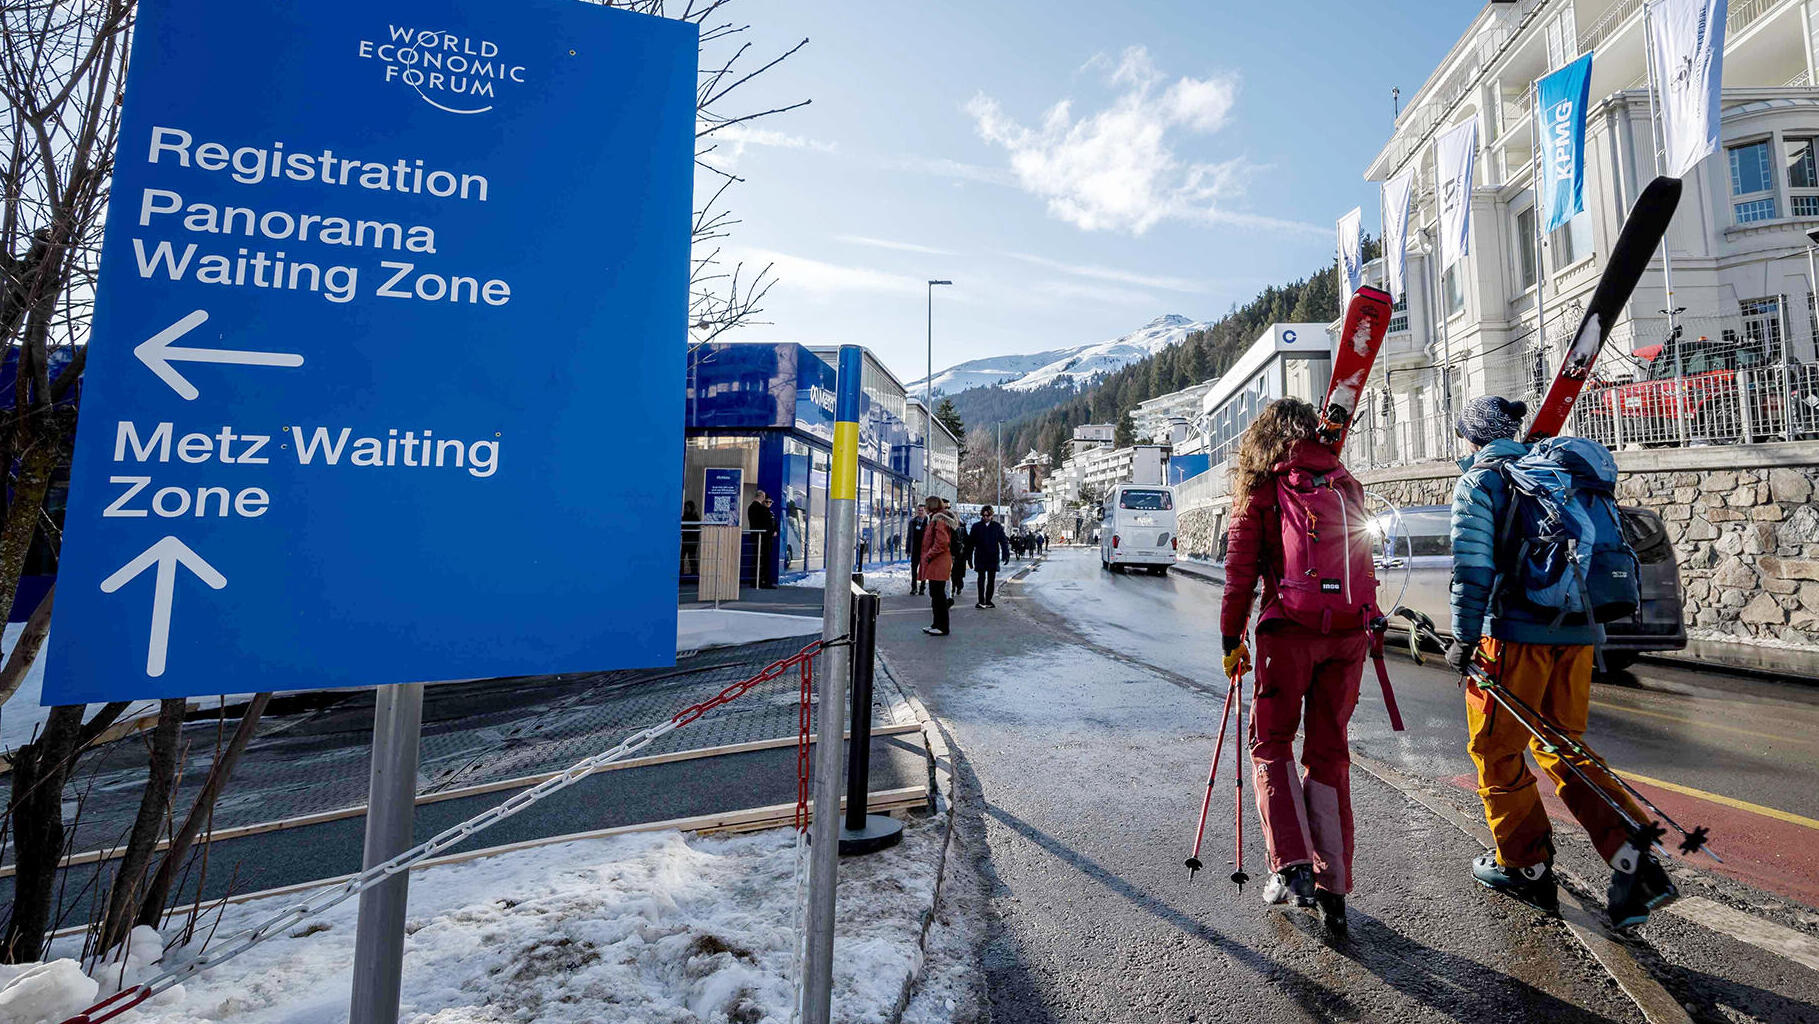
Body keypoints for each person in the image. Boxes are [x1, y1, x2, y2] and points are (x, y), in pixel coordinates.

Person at [1446, 395, 1676, 928]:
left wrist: (1462, 639)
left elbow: (1472, 569)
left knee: (1496, 751)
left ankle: (1523, 864)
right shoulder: (1552, 474)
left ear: (1471, 437)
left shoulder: (1482, 481)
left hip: (1513, 637)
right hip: (1576, 635)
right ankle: (1633, 860)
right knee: (1564, 747)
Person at [1220, 397, 1372, 935]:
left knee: (1272, 742)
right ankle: (1334, 887)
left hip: (1289, 632)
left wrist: (1229, 638)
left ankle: (1292, 865)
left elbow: (1240, 573)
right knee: (1329, 751)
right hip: (1350, 633)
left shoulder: (1264, 485)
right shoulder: (1342, 479)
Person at [918, 497, 961, 636]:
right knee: (935, 593)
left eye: (926, 504)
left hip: (939, 560)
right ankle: (936, 624)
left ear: (931, 505)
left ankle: (942, 626)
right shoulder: (937, 518)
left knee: (938, 594)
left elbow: (941, 542)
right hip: (939, 560)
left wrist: (929, 555)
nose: (924, 507)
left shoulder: (939, 520)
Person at [967, 505, 1012, 608]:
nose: (985, 517)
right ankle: (981, 600)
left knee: (991, 579)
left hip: (992, 556)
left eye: (987, 515)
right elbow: (970, 543)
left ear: (991, 515)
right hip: (980, 556)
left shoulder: (997, 527)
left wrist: (1006, 554)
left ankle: (988, 600)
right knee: (981, 578)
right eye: (983, 515)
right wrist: (969, 557)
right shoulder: (976, 527)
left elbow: (1003, 541)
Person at [746, 490, 779, 588]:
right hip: (764, 538)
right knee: (764, 560)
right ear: (761, 496)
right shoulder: (761, 509)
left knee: (757, 559)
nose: (766, 501)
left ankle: (755, 581)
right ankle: (764, 581)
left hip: (757, 537)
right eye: (765, 498)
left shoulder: (751, 507)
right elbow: (768, 521)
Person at [945, 500, 968, 604]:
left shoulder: (962, 528)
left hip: (960, 555)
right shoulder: (949, 526)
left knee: (958, 573)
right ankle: (952, 590)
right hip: (953, 553)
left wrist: (964, 550)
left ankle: (958, 586)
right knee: (952, 573)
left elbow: (966, 540)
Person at [908, 505, 929, 595]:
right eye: (919, 510)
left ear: (925, 511)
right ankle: (914, 587)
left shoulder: (928, 522)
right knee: (914, 569)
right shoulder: (912, 522)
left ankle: (922, 588)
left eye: (922, 510)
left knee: (923, 568)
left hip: (924, 549)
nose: (920, 512)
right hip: (915, 549)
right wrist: (908, 549)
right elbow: (909, 536)